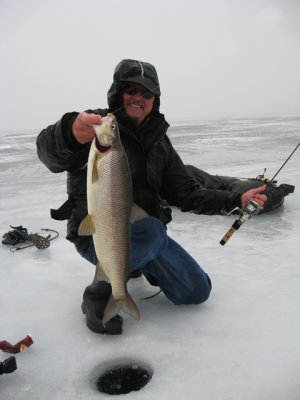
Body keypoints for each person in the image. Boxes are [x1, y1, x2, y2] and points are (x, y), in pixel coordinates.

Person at [36, 59, 267, 335]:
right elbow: (48, 152)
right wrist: (70, 133)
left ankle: (140, 262)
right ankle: (99, 293)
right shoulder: (97, 126)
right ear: (118, 92)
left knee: (197, 291)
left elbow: (186, 193)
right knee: (151, 229)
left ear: (155, 100)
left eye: (147, 93)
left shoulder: (160, 142)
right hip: (97, 236)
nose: (139, 97)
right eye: (131, 90)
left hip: (147, 234)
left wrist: (235, 201)